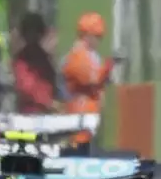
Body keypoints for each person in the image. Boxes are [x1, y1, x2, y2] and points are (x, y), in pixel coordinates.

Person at [62, 12, 117, 146]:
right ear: (87, 35)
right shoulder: (77, 55)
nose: (98, 41)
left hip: (92, 111)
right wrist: (109, 65)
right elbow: (91, 78)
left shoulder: (92, 55)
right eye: (97, 36)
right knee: (80, 148)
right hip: (80, 111)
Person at [12, 12, 61, 114]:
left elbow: (52, 81)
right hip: (30, 112)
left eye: (37, 31)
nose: (34, 35)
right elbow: (26, 87)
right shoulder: (22, 59)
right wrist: (48, 102)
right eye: (30, 31)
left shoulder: (44, 57)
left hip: (47, 112)